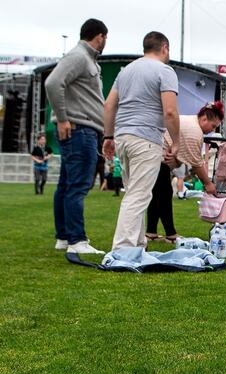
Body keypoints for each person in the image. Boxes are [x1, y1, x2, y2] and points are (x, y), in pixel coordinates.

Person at [103, 31, 180, 250]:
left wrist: (108, 136)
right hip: (146, 138)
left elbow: (109, 105)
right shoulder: (165, 71)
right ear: (164, 47)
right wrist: (175, 142)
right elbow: (171, 112)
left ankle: (137, 244)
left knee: (136, 193)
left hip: (122, 137)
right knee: (138, 195)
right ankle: (124, 248)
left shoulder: (126, 71)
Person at [45, 18, 107, 255]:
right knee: (78, 186)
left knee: (67, 185)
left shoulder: (84, 58)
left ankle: (64, 237)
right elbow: (52, 83)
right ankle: (76, 239)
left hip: (81, 130)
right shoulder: (79, 56)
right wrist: (62, 118)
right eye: (105, 38)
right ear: (100, 36)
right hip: (80, 130)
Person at [145, 102, 222, 243]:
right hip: (156, 154)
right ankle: (170, 234)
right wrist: (208, 184)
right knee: (164, 195)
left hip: (155, 153)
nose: (212, 130)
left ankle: (151, 232)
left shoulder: (191, 121)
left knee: (158, 195)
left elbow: (181, 157)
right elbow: (197, 164)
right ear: (204, 119)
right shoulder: (195, 131)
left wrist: (176, 161)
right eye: (213, 126)